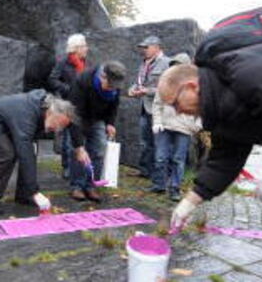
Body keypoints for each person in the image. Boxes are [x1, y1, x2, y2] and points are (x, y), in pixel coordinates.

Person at [160, 39, 262, 281]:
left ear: (192, 87)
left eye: (175, 104)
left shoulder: (251, 75)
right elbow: (225, 158)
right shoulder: (219, 110)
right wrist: (191, 200)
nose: (178, 112)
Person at [0, 90, 76, 215]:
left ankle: (23, 195)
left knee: (30, 155)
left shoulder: (45, 111)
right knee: (8, 156)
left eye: (62, 127)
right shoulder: (28, 115)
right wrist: (35, 191)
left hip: (9, 121)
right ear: (50, 113)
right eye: (58, 124)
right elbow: (25, 151)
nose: (57, 129)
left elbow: (30, 153)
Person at [69, 61, 126, 201]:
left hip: (98, 118)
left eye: (114, 87)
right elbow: (74, 114)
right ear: (102, 76)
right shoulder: (82, 81)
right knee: (79, 152)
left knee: (99, 150)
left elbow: (114, 104)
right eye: (109, 86)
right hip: (80, 117)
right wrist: (79, 146)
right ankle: (77, 186)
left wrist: (110, 123)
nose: (111, 89)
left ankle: (91, 185)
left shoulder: (115, 84)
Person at [149, 53, 201, 201]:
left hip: (184, 128)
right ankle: (159, 184)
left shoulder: (196, 84)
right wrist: (157, 122)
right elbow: (157, 104)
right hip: (164, 126)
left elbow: (202, 107)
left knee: (178, 159)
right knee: (160, 157)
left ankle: (175, 188)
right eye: (173, 65)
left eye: (178, 65)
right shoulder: (166, 82)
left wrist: (196, 126)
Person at [48, 33, 90, 180]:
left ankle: (78, 165)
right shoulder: (63, 62)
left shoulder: (85, 62)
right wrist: (68, 89)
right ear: (76, 47)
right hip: (68, 104)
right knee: (67, 138)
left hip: (83, 104)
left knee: (78, 137)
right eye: (84, 45)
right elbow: (52, 80)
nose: (87, 48)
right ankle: (67, 167)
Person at [128, 35, 170, 179]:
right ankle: (145, 171)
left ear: (157, 47)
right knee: (145, 142)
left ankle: (159, 176)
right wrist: (132, 89)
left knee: (160, 144)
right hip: (144, 108)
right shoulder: (144, 63)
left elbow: (168, 88)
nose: (144, 50)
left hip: (159, 110)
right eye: (143, 47)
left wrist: (148, 91)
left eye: (146, 47)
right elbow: (139, 82)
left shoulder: (167, 63)